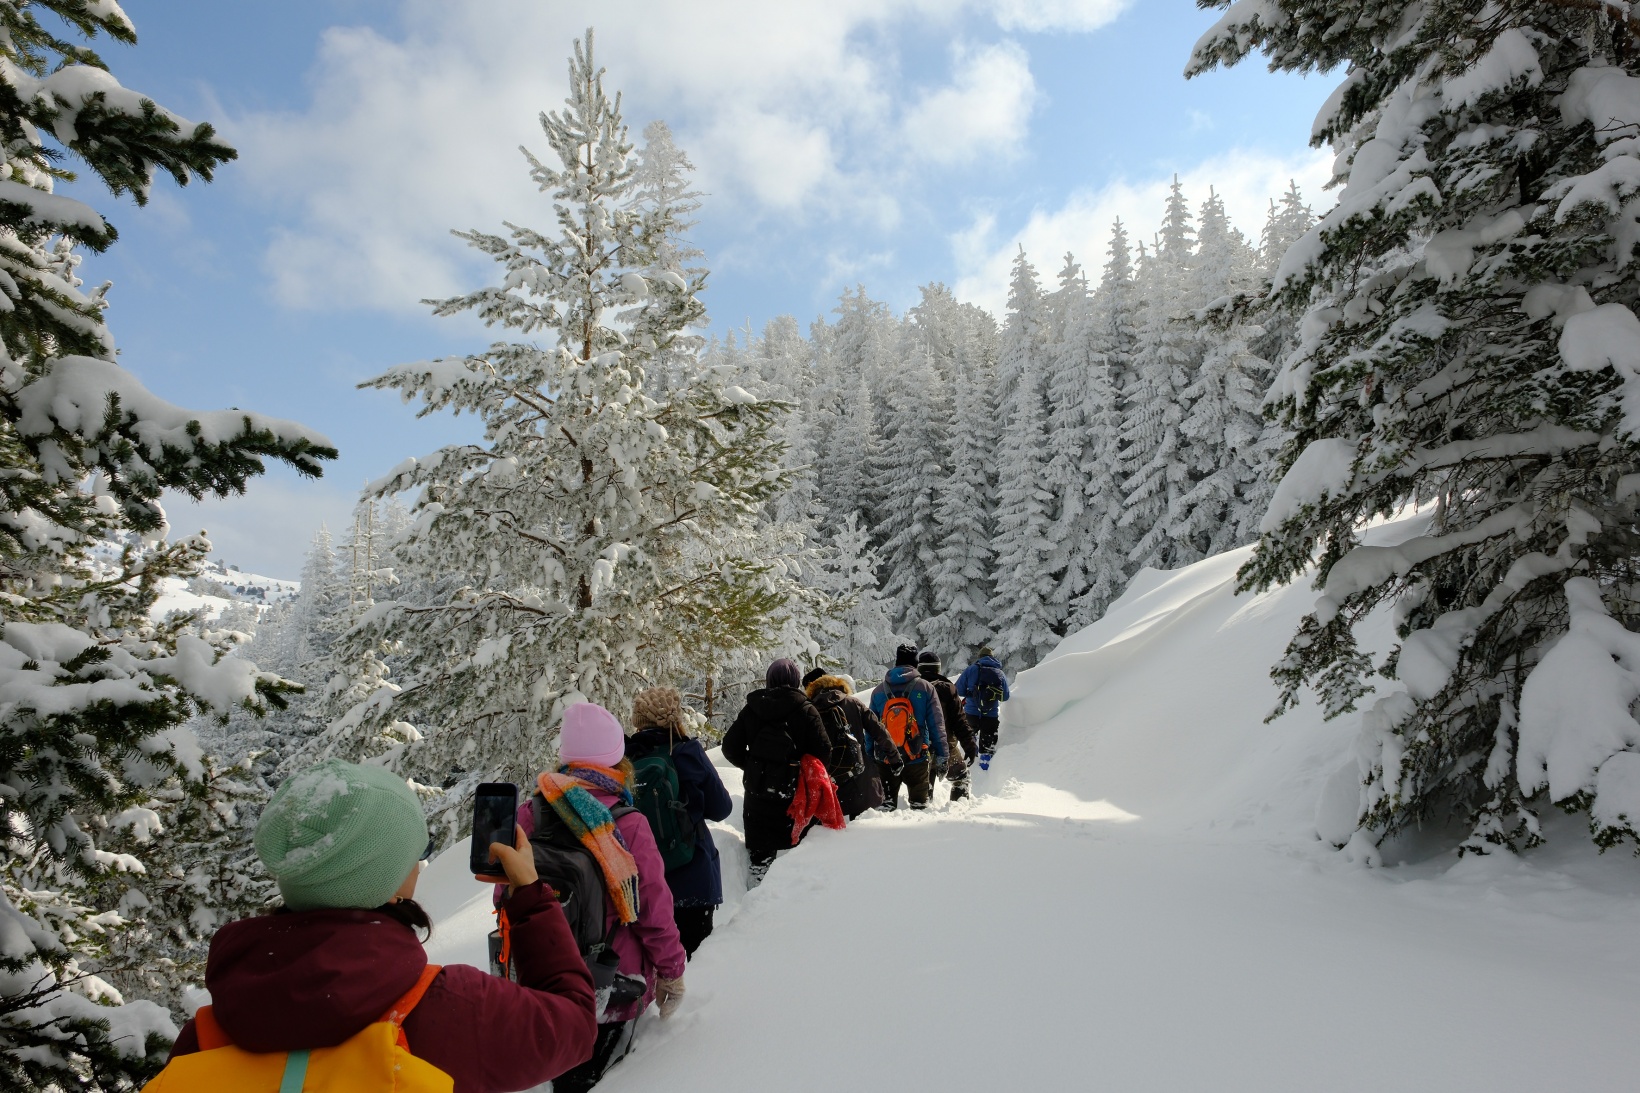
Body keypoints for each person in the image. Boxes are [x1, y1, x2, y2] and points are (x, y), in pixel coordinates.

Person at [162, 759, 598, 1093]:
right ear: (384, 882)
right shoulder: (455, 1008)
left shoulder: (206, 1036)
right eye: (414, 852)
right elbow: (576, 1026)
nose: (421, 864)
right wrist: (529, 895)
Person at [517, 703, 689, 1092]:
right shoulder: (628, 822)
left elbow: (505, 897)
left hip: (544, 981)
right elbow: (653, 911)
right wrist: (672, 971)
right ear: (616, 759)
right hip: (611, 987)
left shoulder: (529, 815)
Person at [626, 685, 733, 958]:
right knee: (698, 964)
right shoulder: (688, 752)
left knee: (651, 967)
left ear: (639, 721)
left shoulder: (624, 761)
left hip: (643, 886)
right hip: (693, 877)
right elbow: (722, 808)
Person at [722, 658, 832, 886]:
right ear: (795, 681)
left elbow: (729, 747)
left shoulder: (752, 708)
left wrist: (753, 768)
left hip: (757, 796)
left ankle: (754, 899)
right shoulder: (805, 709)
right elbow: (824, 752)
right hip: (795, 797)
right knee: (795, 859)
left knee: (759, 860)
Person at [804, 670, 900, 818]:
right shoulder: (853, 703)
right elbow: (879, 732)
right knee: (862, 830)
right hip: (860, 778)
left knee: (829, 835)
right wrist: (894, 758)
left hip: (829, 783)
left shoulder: (810, 710)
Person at [868, 644, 949, 811]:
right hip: (916, 755)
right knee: (919, 808)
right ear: (915, 663)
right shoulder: (926, 688)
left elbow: (871, 728)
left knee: (885, 809)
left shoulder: (878, 691)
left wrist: (869, 756)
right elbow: (936, 724)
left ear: (896, 662)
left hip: (886, 757)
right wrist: (942, 756)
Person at [918, 649, 976, 802]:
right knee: (961, 778)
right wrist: (969, 745)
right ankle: (957, 815)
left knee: (924, 789)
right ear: (938, 668)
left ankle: (921, 816)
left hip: (918, 747)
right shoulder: (946, 688)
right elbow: (959, 721)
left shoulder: (912, 688)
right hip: (947, 746)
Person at [956, 646, 1011, 765]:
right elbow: (1005, 696)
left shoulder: (971, 670)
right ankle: (985, 761)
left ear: (979, 657)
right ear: (992, 657)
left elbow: (958, 690)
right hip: (990, 713)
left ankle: (971, 752)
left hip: (971, 711)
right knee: (989, 739)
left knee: (970, 732)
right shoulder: (999, 672)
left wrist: (971, 693)